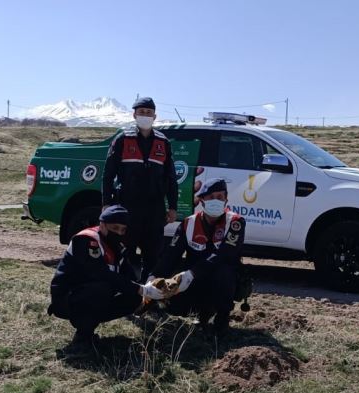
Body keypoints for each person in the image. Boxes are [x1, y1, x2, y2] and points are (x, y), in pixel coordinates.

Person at [47, 205, 165, 353]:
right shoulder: (87, 240)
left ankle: (89, 326)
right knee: (104, 287)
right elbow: (100, 274)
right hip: (66, 298)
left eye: (122, 230)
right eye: (114, 228)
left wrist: (148, 290)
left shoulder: (117, 247)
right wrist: (141, 289)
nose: (118, 233)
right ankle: (82, 338)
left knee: (134, 296)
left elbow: (129, 278)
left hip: (88, 294)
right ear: (102, 224)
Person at [151, 178, 245, 336]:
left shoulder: (235, 222)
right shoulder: (189, 223)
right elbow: (171, 255)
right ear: (202, 200)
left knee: (224, 273)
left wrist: (192, 273)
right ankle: (201, 313)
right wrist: (153, 276)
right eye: (211, 197)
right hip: (194, 280)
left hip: (221, 279)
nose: (216, 201)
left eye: (220, 197)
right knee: (174, 303)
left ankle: (221, 319)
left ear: (226, 199)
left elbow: (224, 254)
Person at [102, 96, 178, 282]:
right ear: (134, 114)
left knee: (152, 255)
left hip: (154, 209)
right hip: (127, 207)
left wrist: (173, 206)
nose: (145, 115)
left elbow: (171, 178)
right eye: (142, 112)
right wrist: (106, 203)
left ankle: (148, 296)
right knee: (125, 253)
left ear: (155, 116)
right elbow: (108, 174)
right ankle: (125, 294)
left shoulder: (163, 142)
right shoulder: (122, 139)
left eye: (149, 112)